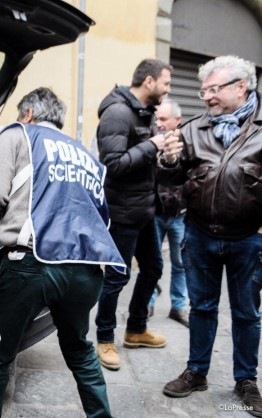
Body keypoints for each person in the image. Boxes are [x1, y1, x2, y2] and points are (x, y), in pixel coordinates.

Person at [0, 87, 125, 418]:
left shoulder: (18, 134)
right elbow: (102, 217)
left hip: (31, 266)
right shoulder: (84, 154)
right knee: (80, 351)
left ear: (27, 114)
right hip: (86, 271)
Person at [161, 55, 262, 417]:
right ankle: (197, 372)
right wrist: (169, 161)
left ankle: (246, 380)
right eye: (203, 91)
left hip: (249, 238)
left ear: (241, 86)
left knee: (247, 312)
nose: (206, 97)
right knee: (201, 307)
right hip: (200, 234)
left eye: (214, 89)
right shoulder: (193, 129)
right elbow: (171, 182)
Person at [94, 59, 175, 371]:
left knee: (153, 268)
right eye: (166, 83)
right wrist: (152, 146)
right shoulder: (117, 113)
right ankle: (104, 338)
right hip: (122, 212)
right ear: (149, 81)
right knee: (117, 276)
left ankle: (136, 329)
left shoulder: (145, 112)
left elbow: (145, 162)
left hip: (145, 210)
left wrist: (166, 155)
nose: (168, 90)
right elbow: (112, 164)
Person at [147, 98, 189, 327]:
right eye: (157, 119)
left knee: (180, 263)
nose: (159, 123)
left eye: (163, 119)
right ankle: (148, 302)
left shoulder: (189, 141)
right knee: (152, 263)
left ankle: (179, 306)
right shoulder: (153, 140)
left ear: (177, 119)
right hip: (155, 212)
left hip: (180, 215)